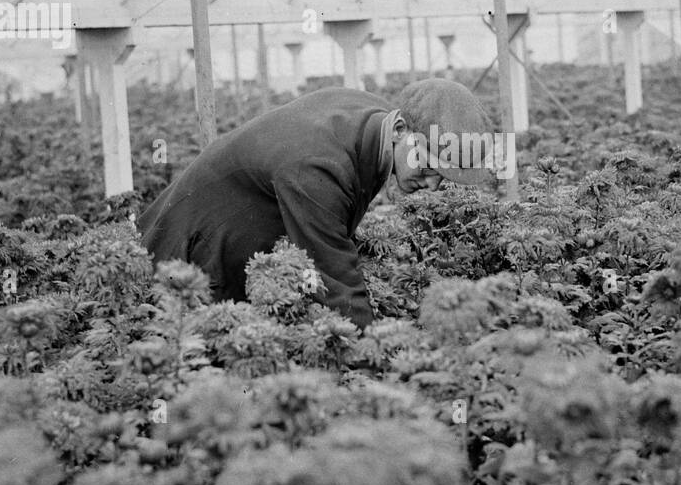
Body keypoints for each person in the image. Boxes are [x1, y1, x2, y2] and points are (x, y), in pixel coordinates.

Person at [138, 78, 496, 328]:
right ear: (401, 130)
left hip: (238, 241)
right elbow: (335, 278)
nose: (432, 182)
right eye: (430, 164)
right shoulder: (317, 166)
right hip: (187, 251)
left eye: (442, 176)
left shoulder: (373, 120)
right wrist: (375, 356)